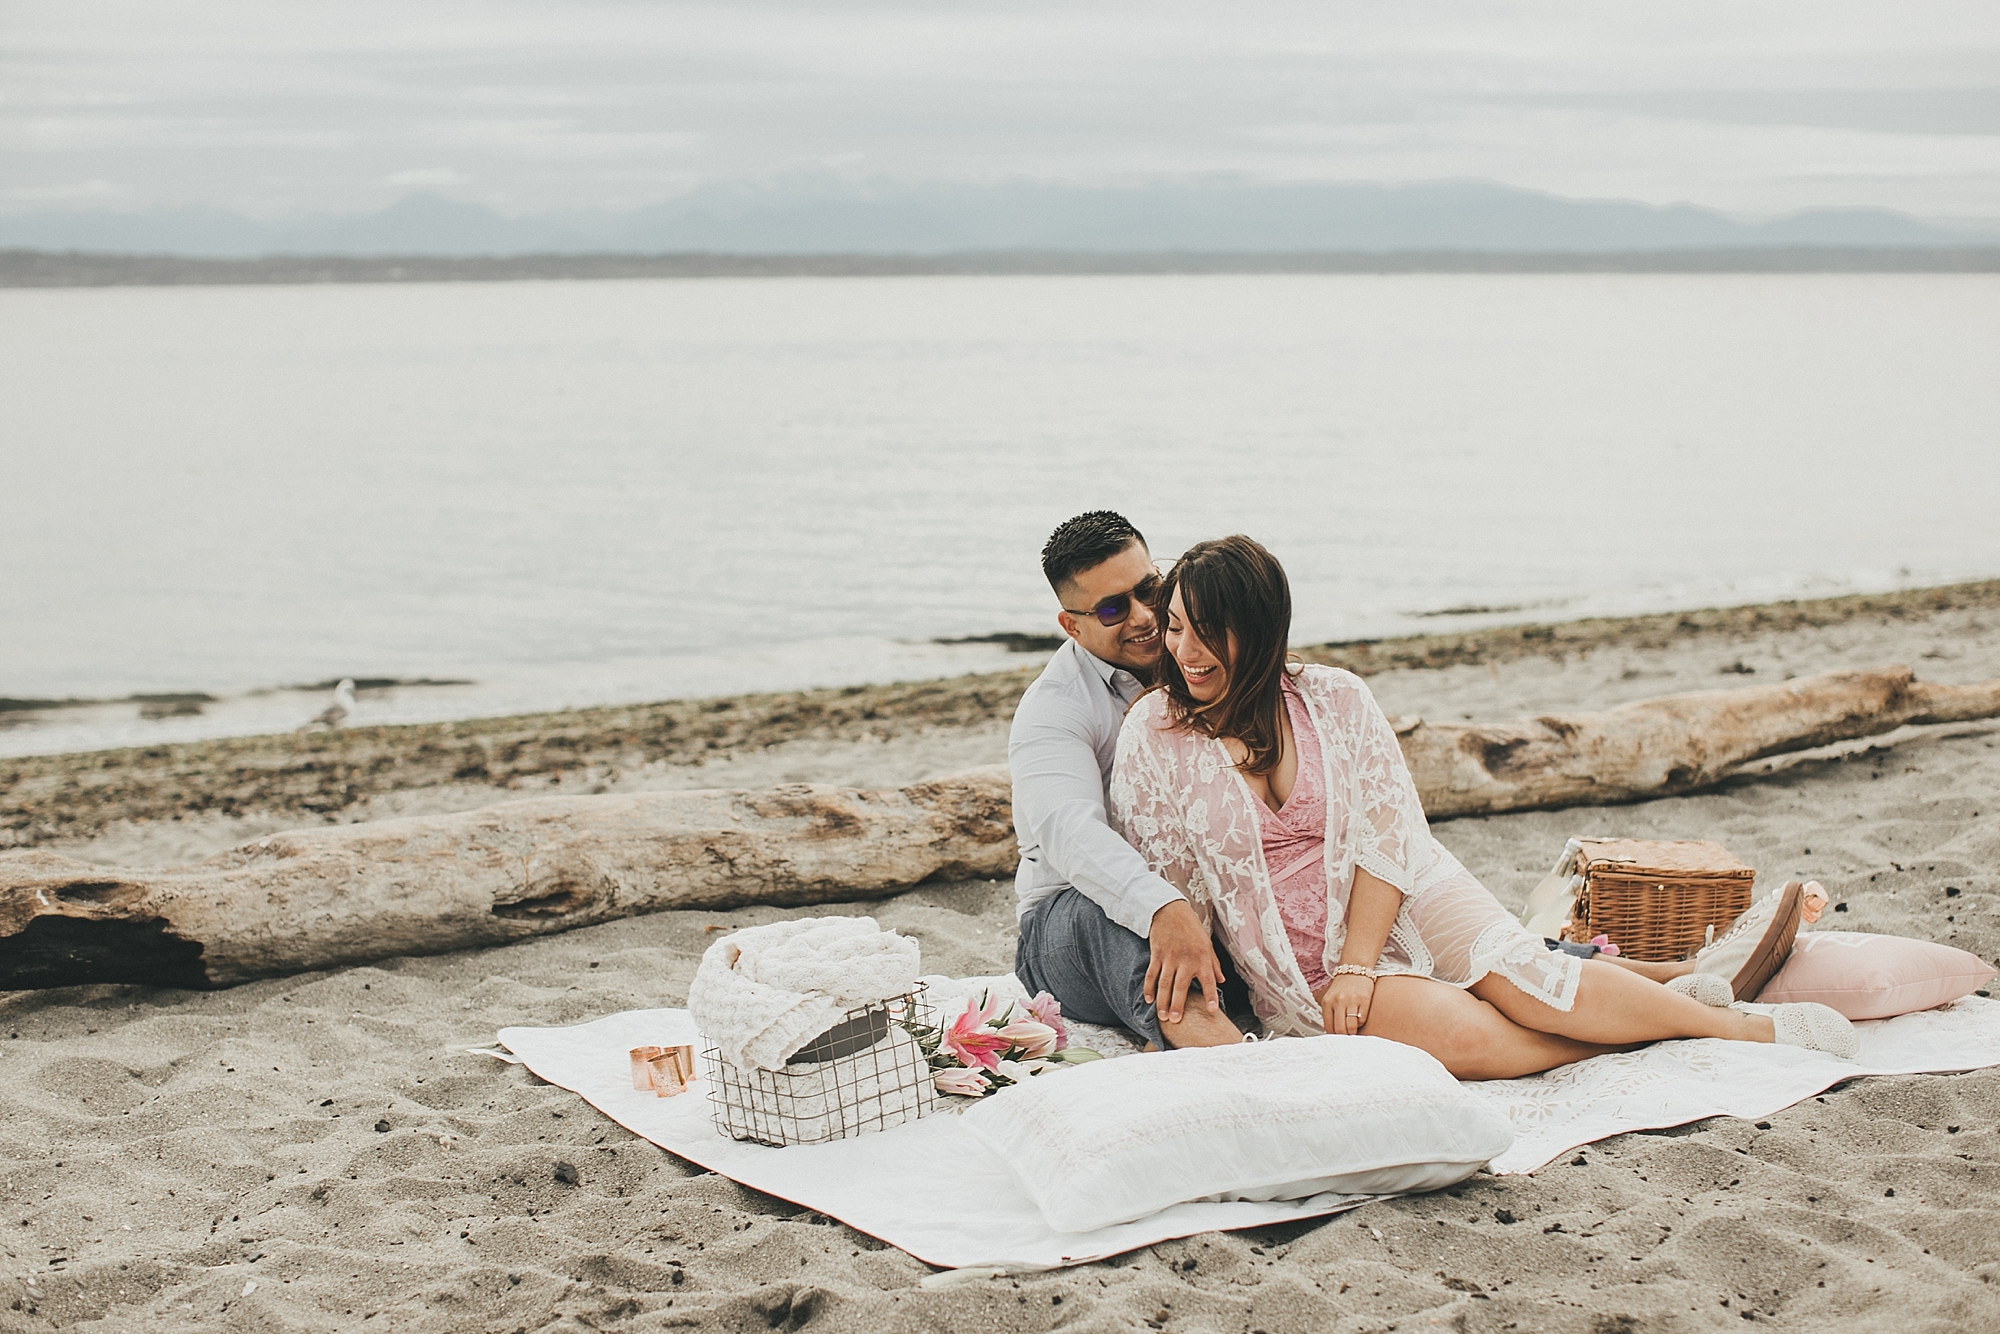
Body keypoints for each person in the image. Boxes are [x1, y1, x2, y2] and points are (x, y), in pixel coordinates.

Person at [1108, 534, 1859, 1078]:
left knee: (1525, 975)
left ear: (1262, 631)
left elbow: (1390, 835)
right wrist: (1207, 1010)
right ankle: (1669, 1018)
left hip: (1401, 888)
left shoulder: (1333, 698)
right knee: (1472, 1040)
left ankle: (1740, 1030)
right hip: (1300, 955)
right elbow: (1175, 894)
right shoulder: (1154, 735)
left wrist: (1363, 962)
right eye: (1175, 628)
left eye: (1209, 632)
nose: (1186, 652)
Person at [1010, 512, 1243, 1050]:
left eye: (1149, 590)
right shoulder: (1053, 709)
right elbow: (1070, 832)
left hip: (1207, 888)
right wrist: (1161, 907)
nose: (1143, 616)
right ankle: (1230, 1056)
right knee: (1115, 927)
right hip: (1071, 923)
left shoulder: (1200, 659)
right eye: (1114, 608)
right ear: (1072, 625)